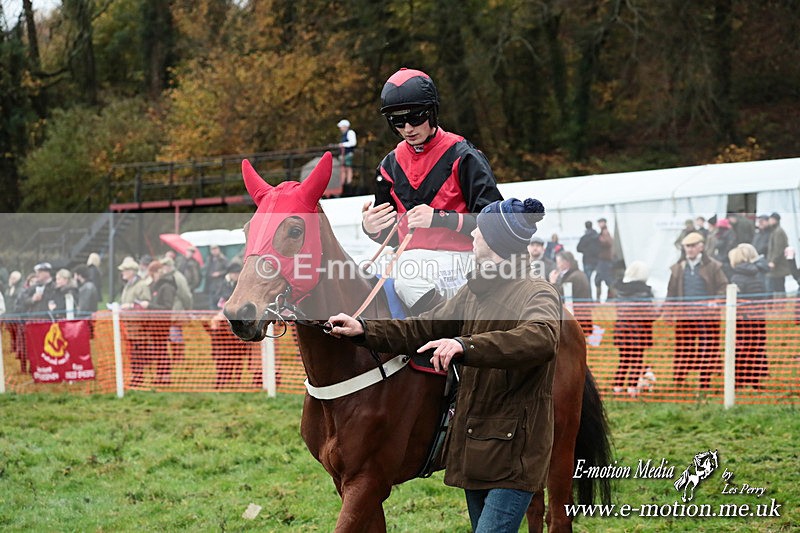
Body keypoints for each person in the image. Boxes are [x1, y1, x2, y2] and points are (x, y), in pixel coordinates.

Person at [329, 197, 559, 533]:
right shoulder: (473, 291)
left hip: (516, 451)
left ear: (496, 243)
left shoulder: (538, 292)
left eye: (480, 231)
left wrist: (464, 345)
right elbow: (424, 326)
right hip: (475, 446)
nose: (473, 236)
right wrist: (364, 330)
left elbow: (541, 338)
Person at [361, 67, 502, 314]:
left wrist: (439, 219)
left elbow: (495, 223)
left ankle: (452, 332)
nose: (407, 128)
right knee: (356, 274)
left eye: (416, 118)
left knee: (408, 276)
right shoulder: (388, 166)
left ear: (432, 112)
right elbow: (393, 238)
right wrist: (372, 229)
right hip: (412, 260)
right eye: (397, 121)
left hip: (462, 260)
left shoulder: (465, 156)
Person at [666, 232, 728, 389]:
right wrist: (668, 313)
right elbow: (671, 293)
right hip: (684, 317)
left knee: (707, 349)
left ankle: (704, 382)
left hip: (707, 317)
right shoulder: (678, 268)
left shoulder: (713, 266)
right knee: (683, 349)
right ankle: (679, 381)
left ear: (701, 247)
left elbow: (723, 287)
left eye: (693, 246)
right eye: (687, 246)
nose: (690, 249)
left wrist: (716, 300)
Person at [611, 261, 657, 397]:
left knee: (624, 359)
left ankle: (617, 386)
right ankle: (632, 388)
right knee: (637, 360)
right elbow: (649, 315)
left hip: (621, 329)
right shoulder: (644, 292)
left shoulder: (620, 290)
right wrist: (660, 311)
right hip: (638, 331)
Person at [728, 243, 769, 389]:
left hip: (743, 319)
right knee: (756, 348)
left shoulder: (737, 277)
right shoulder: (757, 273)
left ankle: (739, 380)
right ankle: (754, 379)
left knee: (742, 349)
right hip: (758, 317)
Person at [118, 256, 152, 387]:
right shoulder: (128, 286)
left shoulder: (141, 286)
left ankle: (138, 377)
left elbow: (145, 304)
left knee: (138, 353)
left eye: (125, 270)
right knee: (132, 353)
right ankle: (135, 376)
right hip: (128, 325)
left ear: (132, 271)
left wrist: (131, 306)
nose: (122, 273)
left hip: (138, 326)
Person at [146, 260, 177, 385]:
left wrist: (149, 306)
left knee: (162, 349)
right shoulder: (157, 285)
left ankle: (165, 375)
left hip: (162, 323)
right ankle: (160, 374)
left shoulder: (166, 286)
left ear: (157, 272)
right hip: (155, 323)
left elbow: (166, 307)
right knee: (158, 350)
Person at [549, 250, 592, 335]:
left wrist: (553, 282)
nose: (557, 266)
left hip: (577, 318)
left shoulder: (573, 278)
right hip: (583, 316)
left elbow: (561, 297)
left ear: (566, 263)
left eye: (558, 262)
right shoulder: (578, 274)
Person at [765, 212, 789, 294]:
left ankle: (781, 304)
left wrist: (773, 261)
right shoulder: (775, 231)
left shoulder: (779, 232)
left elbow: (778, 249)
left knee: (779, 287)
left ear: (775, 220)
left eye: (771, 219)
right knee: (776, 286)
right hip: (777, 266)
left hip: (779, 266)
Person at [595, 217, 616, 301]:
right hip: (603, 259)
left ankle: (615, 297)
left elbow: (609, 243)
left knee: (607, 279)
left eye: (601, 222)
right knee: (599, 279)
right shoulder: (603, 232)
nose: (600, 224)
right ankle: (598, 299)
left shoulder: (605, 232)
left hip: (605, 260)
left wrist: (600, 240)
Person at [576, 221, 600, 289]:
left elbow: (578, 248)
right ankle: (599, 297)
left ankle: (589, 298)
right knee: (599, 281)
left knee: (587, 281)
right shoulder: (597, 236)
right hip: (597, 260)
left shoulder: (584, 238)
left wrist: (586, 251)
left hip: (587, 261)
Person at [205, 245, 229, 310]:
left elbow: (228, 270)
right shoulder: (209, 259)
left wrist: (219, 273)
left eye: (215, 249)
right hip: (211, 285)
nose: (214, 251)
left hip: (220, 286)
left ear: (219, 249)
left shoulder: (223, 259)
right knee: (211, 305)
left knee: (220, 305)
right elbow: (207, 271)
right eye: (212, 249)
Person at [336, 119, 357, 188]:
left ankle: (348, 183)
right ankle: (343, 184)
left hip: (348, 153)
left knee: (348, 168)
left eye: (341, 127)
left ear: (345, 126)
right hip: (343, 154)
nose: (340, 128)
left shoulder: (350, 132)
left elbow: (353, 143)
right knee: (343, 168)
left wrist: (343, 144)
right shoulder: (344, 134)